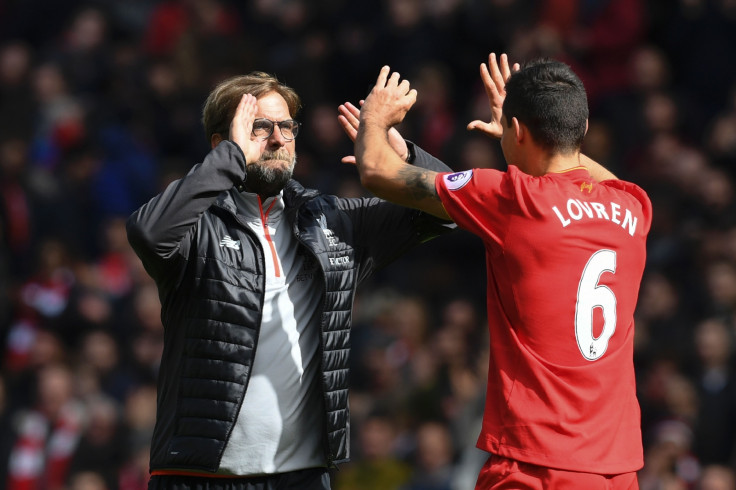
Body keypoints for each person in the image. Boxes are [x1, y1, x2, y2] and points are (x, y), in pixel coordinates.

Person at [125, 71, 453, 489]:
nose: (277, 139)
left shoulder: (332, 220)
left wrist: (402, 153)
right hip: (198, 476)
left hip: (302, 478)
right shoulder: (196, 228)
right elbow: (147, 232)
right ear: (221, 145)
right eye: (259, 127)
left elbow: (447, 208)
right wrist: (231, 160)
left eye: (285, 127)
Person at [352, 54, 652, 489]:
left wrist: (375, 117)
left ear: (516, 131)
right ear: (583, 130)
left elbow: (377, 171)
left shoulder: (514, 198)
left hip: (535, 466)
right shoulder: (634, 208)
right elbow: (587, 171)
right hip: (616, 468)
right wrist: (526, 136)